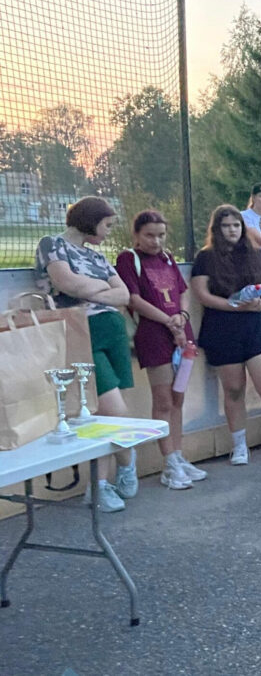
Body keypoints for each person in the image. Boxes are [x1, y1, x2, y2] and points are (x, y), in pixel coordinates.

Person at [34, 197, 138, 512]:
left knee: (109, 410)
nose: (108, 232)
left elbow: (124, 294)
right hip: (80, 332)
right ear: (91, 221)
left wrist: (90, 289)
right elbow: (66, 283)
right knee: (109, 410)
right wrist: (102, 288)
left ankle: (109, 478)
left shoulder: (97, 256)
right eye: (106, 225)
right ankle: (114, 472)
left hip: (112, 331)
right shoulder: (52, 244)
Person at [190, 205, 261, 469]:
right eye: (226, 226)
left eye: (236, 225)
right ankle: (239, 446)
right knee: (233, 389)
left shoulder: (258, 255)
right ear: (216, 229)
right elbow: (202, 294)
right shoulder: (205, 257)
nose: (232, 230)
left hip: (257, 326)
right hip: (222, 329)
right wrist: (233, 306)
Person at [115, 210, 208, 490]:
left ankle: (178, 456)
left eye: (161, 235)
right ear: (136, 235)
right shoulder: (128, 259)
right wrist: (168, 321)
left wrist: (182, 316)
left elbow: (182, 291)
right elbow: (133, 299)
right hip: (154, 336)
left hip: (181, 335)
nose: (156, 241)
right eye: (149, 235)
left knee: (178, 398)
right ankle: (168, 464)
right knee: (164, 401)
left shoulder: (167, 258)